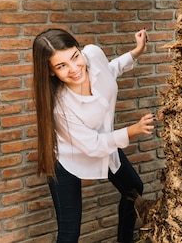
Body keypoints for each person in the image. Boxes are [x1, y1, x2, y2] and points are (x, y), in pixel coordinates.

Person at [32, 28, 155, 243]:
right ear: (51, 71)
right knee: (69, 233)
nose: (75, 68)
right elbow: (92, 145)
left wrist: (136, 51)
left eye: (75, 57)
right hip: (68, 157)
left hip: (104, 144)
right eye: (61, 66)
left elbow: (107, 71)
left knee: (133, 189)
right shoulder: (60, 106)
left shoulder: (93, 54)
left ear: (79, 50)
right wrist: (132, 130)